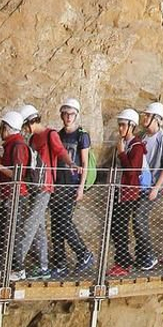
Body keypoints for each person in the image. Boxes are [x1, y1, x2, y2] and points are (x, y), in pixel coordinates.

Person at [11, 110, 59, 279]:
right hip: (34, 184)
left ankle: (16, 268)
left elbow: (59, 152)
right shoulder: (32, 139)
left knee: (29, 226)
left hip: (45, 186)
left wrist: (74, 167)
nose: (25, 129)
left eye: (25, 125)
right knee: (38, 227)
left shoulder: (49, 134)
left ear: (30, 121)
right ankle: (43, 266)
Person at [50, 99, 95, 275]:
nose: (68, 117)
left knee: (64, 221)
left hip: (72, 183)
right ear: (61, 115)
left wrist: (81, 187)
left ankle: (84, 253)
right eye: (65, 114)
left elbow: (84, 162)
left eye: (71, 114)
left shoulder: (82, 135)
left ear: (76, 115)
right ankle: (59, 262)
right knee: (55, 224)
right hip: (59, 183)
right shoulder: (59, 135)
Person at [0, 111, 33, 281]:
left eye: (2, 128)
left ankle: (18, 269)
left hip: (16, 196)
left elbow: (18, 174)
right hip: (9, 195)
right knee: (2, 232)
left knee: (11, 232)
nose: (0, 131)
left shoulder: (18, 146)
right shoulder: (12, 146)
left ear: (7, 129)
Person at [108, 110, 149, 275]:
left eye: (123, 125)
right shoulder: (126, 144)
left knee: (120, 226)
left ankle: (123, 263)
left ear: (131, 126)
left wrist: (122, 153)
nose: (120, 128)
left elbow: (132, 171)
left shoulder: (137, 146)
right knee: (115, 226)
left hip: (130, 192)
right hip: (121, 190)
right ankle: (123, 259)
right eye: (119, 125)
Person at [140, 103, 163, 265]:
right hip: (141, 184)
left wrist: (156, 188)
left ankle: (149, 255)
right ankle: (142, 255)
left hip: (154, 185)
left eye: (148, 116)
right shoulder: (142, 138)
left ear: (156, 119)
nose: (144, 118)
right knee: (139, 218)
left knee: (139, 217)